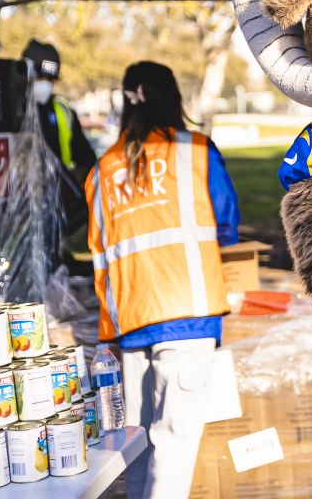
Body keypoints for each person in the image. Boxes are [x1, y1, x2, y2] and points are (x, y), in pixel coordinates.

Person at [85, 61, 241, 499]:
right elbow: (226, 225)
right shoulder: (195, 151)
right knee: (172, 447)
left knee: (134, 446)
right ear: (172, 100)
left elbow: (100, 255)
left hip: (129, 326)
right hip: (187, 319)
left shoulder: (101, 172)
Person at [21, 39, 97, 183]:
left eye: (50, 79)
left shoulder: (64, 112)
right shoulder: (6, 110)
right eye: (40, 77)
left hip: (58, 195)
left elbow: (87, 160)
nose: (46, 84)